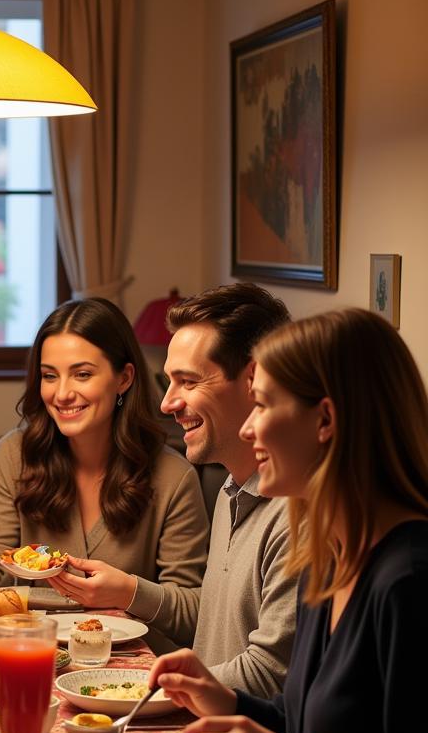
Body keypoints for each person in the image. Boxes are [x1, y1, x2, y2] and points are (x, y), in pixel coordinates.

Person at [151, 309, 428, 733]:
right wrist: (229, 703)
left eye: (263, 405)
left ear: (326, 421)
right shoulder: (328, 561)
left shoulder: (410, 582)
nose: (247, 428)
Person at [0, 298, 209, 653]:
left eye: (82, 374)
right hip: (30, 653)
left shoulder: (173, 476)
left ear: (124, 378)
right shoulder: (16, 454)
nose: (62, 393)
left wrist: (130, 592)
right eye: (50, 375)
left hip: (125, 672)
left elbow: (193, 612)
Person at [62, 283, 294, 695]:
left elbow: (270, 674)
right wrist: (131, 590)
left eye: (187, 381)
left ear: (254, 380)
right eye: (170, 382)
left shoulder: (295, 513)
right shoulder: (231, 489)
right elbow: (216, 622)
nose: (168, 403)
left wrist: (135, 688)